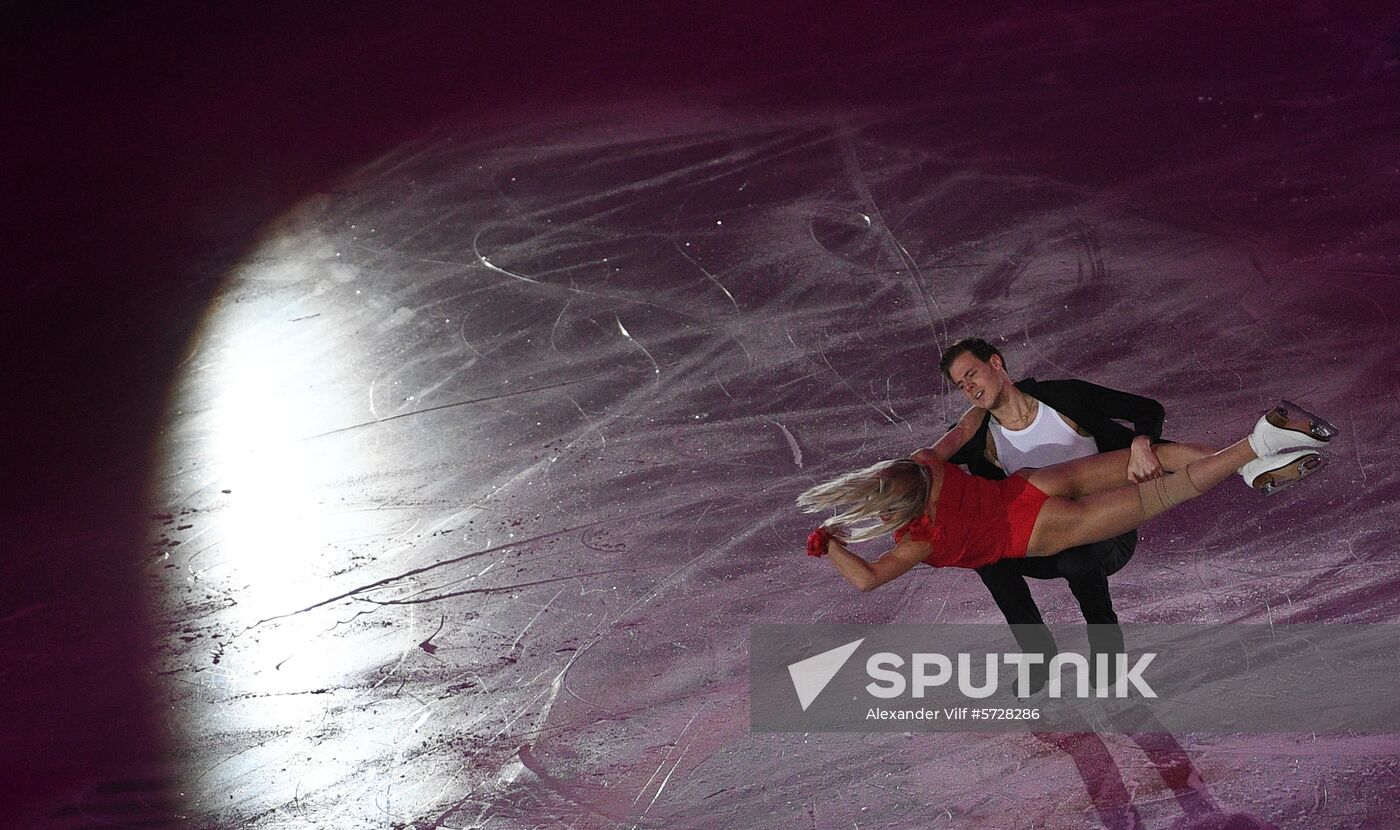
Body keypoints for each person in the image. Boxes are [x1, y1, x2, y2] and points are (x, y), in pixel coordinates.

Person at [797, 401, 1336, 598]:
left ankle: (1258, 440)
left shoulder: (917, 540)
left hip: (1037, 531)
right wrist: (984, 402)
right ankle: (1252, 469)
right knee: (1148, 456)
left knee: (1159, 495)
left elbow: (867, 580)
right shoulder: (925, 463)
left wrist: (831, 546)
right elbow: (964, 427)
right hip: (1033, 484)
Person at [919, 337, 1168, 693]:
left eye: (972, 375)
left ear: (996, 363)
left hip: (1106, 531)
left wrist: (1141, 442)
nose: (970, 388)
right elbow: (928, 469)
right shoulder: (978, 438)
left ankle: (1107, 655)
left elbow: (1147, 408)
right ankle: (1038, 655)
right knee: (987, 557)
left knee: (1077, 560)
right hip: (1042, 541)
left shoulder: (1064, 399)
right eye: (961, 385)